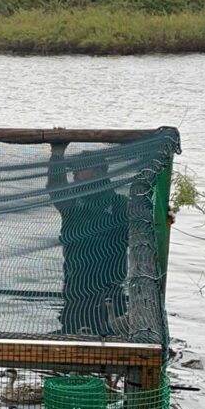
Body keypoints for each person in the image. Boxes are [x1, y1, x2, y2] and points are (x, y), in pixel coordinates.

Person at [47, 143, 129, 337]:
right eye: (74, 169)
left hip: (110, 290)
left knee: (110, 339)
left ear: (98, 172)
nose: (75, 173)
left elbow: (138, 232)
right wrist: (57, 154)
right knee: (71, 335)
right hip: (76, 286)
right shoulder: (72, 202)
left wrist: (163, 218)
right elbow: (56, 187)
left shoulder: (119, 204)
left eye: (81, 169)